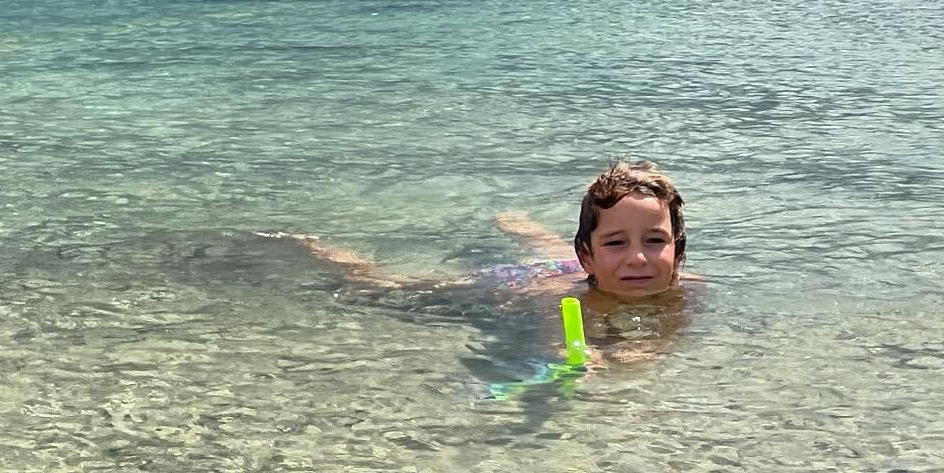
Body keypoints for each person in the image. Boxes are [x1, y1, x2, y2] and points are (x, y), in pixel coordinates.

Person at [257, 159, 699, 302]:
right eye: (618, 242)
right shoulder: (573, 301)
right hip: (527, 281)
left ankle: (527, 230)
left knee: (551, 248)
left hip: (568, 262)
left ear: (678, 252)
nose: (639, 257)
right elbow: (557, 339)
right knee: (385, 285)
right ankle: (322, 251)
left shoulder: (686, 289)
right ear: (588, 255)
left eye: (655, 240)